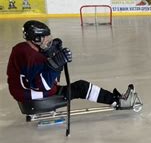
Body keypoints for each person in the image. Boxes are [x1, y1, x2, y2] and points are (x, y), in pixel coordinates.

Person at [7, 20, 139, 109]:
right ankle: (118, 101)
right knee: (80, 87)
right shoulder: (30, 54)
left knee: (80, 87)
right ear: (36, 39)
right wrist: (56, 63)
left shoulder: (25, 49)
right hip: (33, 96)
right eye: (45, 37)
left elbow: (39, 73)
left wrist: (51, 56)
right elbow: (42, 85)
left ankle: (115, 99)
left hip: (28, 92)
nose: (48, 40)